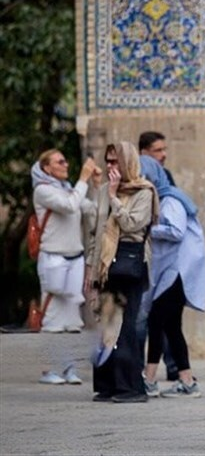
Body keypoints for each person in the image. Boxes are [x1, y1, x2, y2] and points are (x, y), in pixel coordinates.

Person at [86, 142, 158, 403]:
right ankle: (107, 385)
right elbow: (97, 231)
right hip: (107, 267)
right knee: (106, 326)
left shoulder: (144, 190)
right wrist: (91, 271)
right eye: (107, 161)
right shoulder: (104, 189)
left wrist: (115, 197)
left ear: (128, 162)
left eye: (115, 161)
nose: (110, 167)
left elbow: (132, 223)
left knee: (126, 327)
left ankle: (131, 387)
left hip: (130, 266)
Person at [139, 155, 205, 398]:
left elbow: (176, 231)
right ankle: (186, 381)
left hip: (177, 272)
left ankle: (149, 379)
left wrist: (147, 229)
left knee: (157, 322)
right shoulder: (163, 199)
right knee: (170, 326)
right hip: (173, 272)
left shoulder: (170, 200)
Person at [32, 149, 98, 385]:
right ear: (47, 168)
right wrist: (83, 178)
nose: (65, 164)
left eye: (65, 159)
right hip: (53, 258)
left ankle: (69, 368)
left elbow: (91, 209)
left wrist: (97, 186)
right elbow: (70, 206)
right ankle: (48, 369)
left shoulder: (69, 188)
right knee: (52, 315)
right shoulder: (43, 191)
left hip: (74, 257)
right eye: (60, 161)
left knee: (72, 317)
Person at [137, 130, 179, 382]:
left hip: (164, 258)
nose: (162, 156)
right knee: (143, 315)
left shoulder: (165, 179)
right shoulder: (135, 180)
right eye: (157, 151)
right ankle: (138, 369)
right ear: (143, 153)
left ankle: (174, 366)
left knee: (166, 314)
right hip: (140, 257)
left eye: (164, 150)